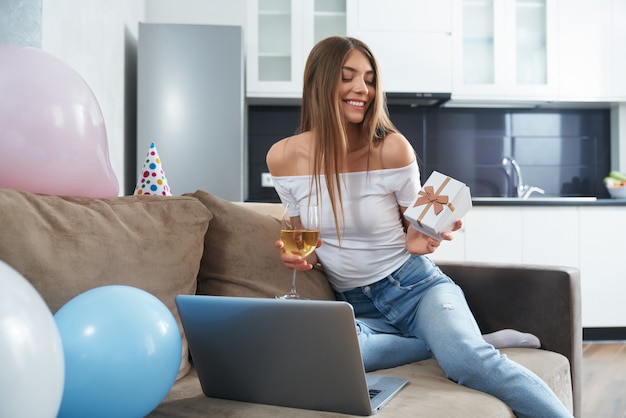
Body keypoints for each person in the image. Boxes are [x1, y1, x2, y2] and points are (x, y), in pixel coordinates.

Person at [267, 36, 573, 418]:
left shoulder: (392, 149)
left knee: (468, 364)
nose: (362, 89)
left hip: (414, 287)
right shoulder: (283, 157)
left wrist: (420, 238)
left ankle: (463, 346)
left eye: (369, 78)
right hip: (353, 305)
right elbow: (306, 243)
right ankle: (457, 341)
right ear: (319, 82)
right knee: (321, 355)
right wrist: (300, 261)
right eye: (348, 77)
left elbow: (415, 225)